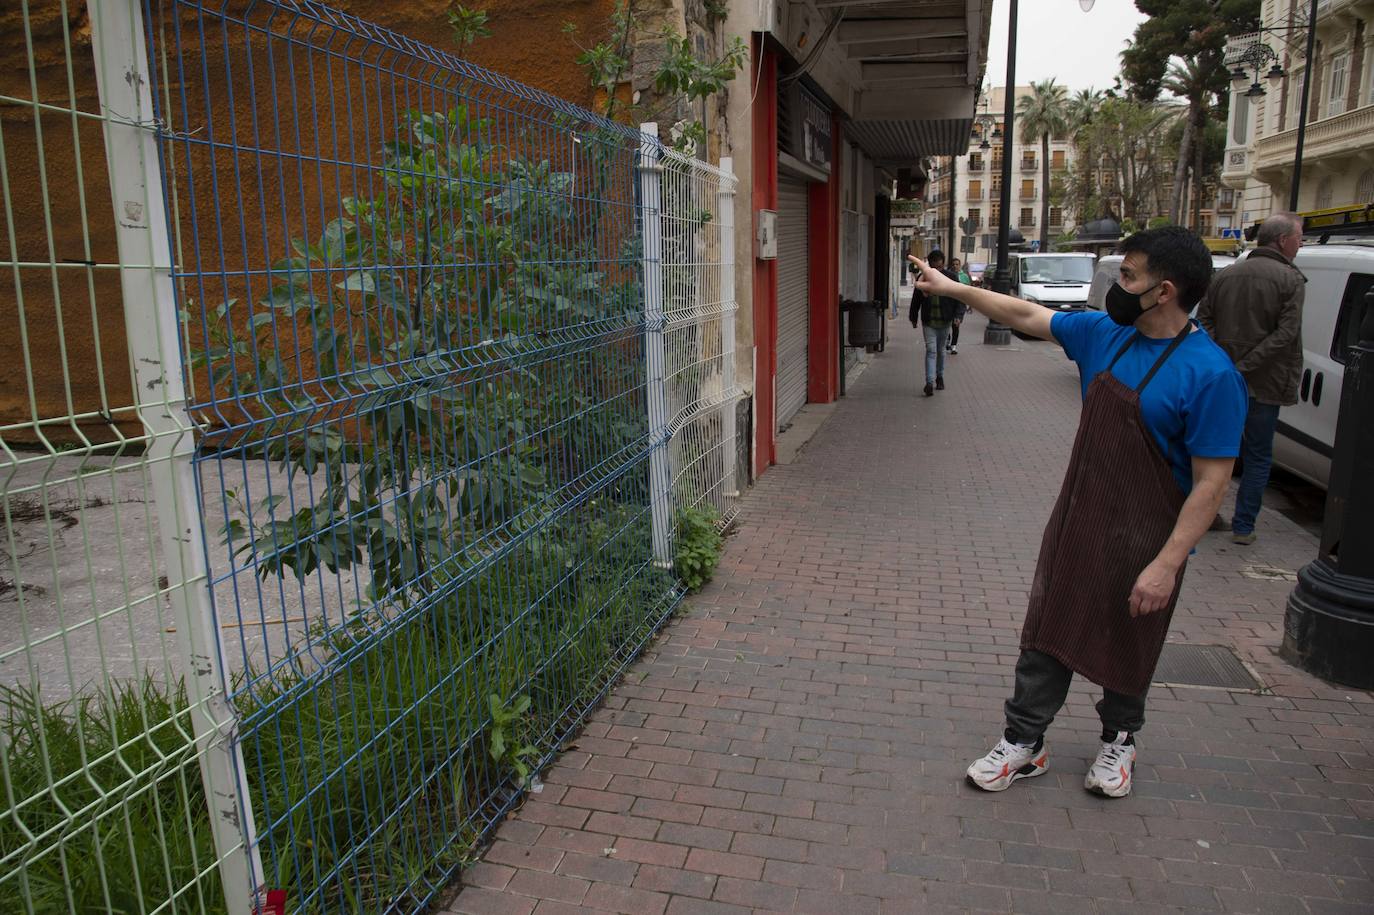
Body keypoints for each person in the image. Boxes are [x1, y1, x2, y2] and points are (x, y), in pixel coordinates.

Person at [909, 226, 1247, 799]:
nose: (1118, 284)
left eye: (1130, 275)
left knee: (1130, 635)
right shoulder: (1104, 334)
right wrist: (954, 288)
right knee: (1047, 629)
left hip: (1147, 536)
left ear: (1163, 291)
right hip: (1079, 518)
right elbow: (1024, 314)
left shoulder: (1212, 375)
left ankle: (1120, 739)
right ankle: (1025, 743)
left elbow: (1212, 485)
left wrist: (1166, 564)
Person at [1197, 213, 1305, 546]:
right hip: (1264, 384)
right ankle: (1244, 526)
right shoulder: (1291, 280)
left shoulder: (1226, 275)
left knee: (1212, 450)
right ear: (1284, 241)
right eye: (1299, 238)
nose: (1300, 245)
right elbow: (1286, 334)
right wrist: (1245, 365)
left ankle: (1206, 515)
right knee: (1258, 456)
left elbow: (1204, 321)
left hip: (1224, 381)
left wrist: (1225, 364)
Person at [908, 250, 964, 396]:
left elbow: (960, 297)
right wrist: (913, 317)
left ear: (943, 264)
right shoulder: (923, 277)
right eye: (934, 267)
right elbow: (916, 300)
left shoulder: (952, 277)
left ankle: (939, 377)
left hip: (945, 322)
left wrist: (958, 316)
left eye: (939, 267)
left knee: (940, 351)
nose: (937, 271)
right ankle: (929, 382)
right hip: (929, 322)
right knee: (931, 351)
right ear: (930, 264)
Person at [948, 258, 973, 354]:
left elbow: (969, 291)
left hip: (960, 305)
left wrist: (970, 305)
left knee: (956, 325)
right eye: (953, 264)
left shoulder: (965, 277)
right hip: (949, 304)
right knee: (947, 324)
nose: (955, 266)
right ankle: (947, 340)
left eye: (957, 264)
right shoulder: (948, 275)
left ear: (960, 265)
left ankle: (954, 345)